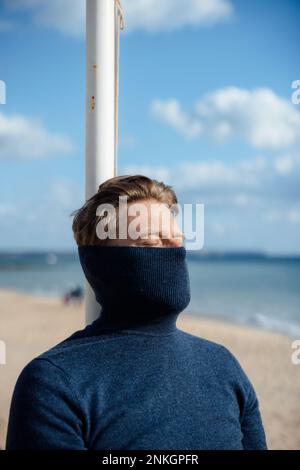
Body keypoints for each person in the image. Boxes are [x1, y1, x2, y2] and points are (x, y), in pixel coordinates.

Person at [6, 175, 267, 450]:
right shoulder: (54, 384)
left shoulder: (223, 366)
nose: (174, 252)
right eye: (150, 244)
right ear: (101, 263)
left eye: (177, 240)